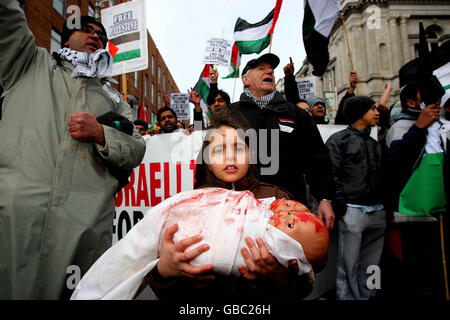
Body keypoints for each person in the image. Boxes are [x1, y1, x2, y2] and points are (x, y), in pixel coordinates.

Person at [71, 112, 328, 300]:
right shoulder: (190, 205)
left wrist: (279, 278)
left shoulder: (278, 201)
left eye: (238, 148)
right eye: (218, 150)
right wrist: (164, 271)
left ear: (251, 153)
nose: (229, 156)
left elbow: (305, 276)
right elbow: (161, 280)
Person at [0, 1, 146, 299]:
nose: (95, 36)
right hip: (15, 217)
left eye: (101, 36)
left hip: (84, 226)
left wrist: (102, 134)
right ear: (66, 39)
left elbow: (135, 148)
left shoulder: (114, 99)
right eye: (86, 30)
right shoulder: (29, 63)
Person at [225, 53, 336, 231]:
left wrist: (324, 198)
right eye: (261, 68)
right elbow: (210, 159)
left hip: (289, 207)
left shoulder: (295, 114)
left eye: (271, 69)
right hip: (241, 210)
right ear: (246, 79)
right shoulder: (230, 114)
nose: (269, 71)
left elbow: (317, 157)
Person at [326, 96, 386, 300]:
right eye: (371, 108)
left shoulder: (374, 143)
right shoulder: (339, 140)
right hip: (352, 211)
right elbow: (331, 174)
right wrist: (341, 207)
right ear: (359, 112)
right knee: (348, 265)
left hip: (377, 212)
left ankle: (370, 296)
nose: (376, 112)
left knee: (373, 265)